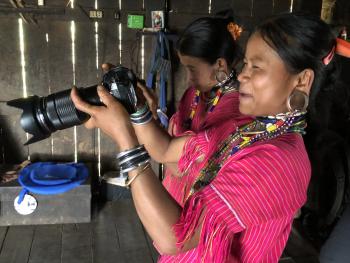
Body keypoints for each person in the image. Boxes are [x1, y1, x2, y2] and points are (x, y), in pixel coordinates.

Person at [71, 13, 350, 262]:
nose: (241, 75)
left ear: (301, 80)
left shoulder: (277, 160)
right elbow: (168, 150)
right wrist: (135, 109)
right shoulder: (250, 132)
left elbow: (176, 238)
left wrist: (125, 139)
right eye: (246, 64)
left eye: (256, 67)